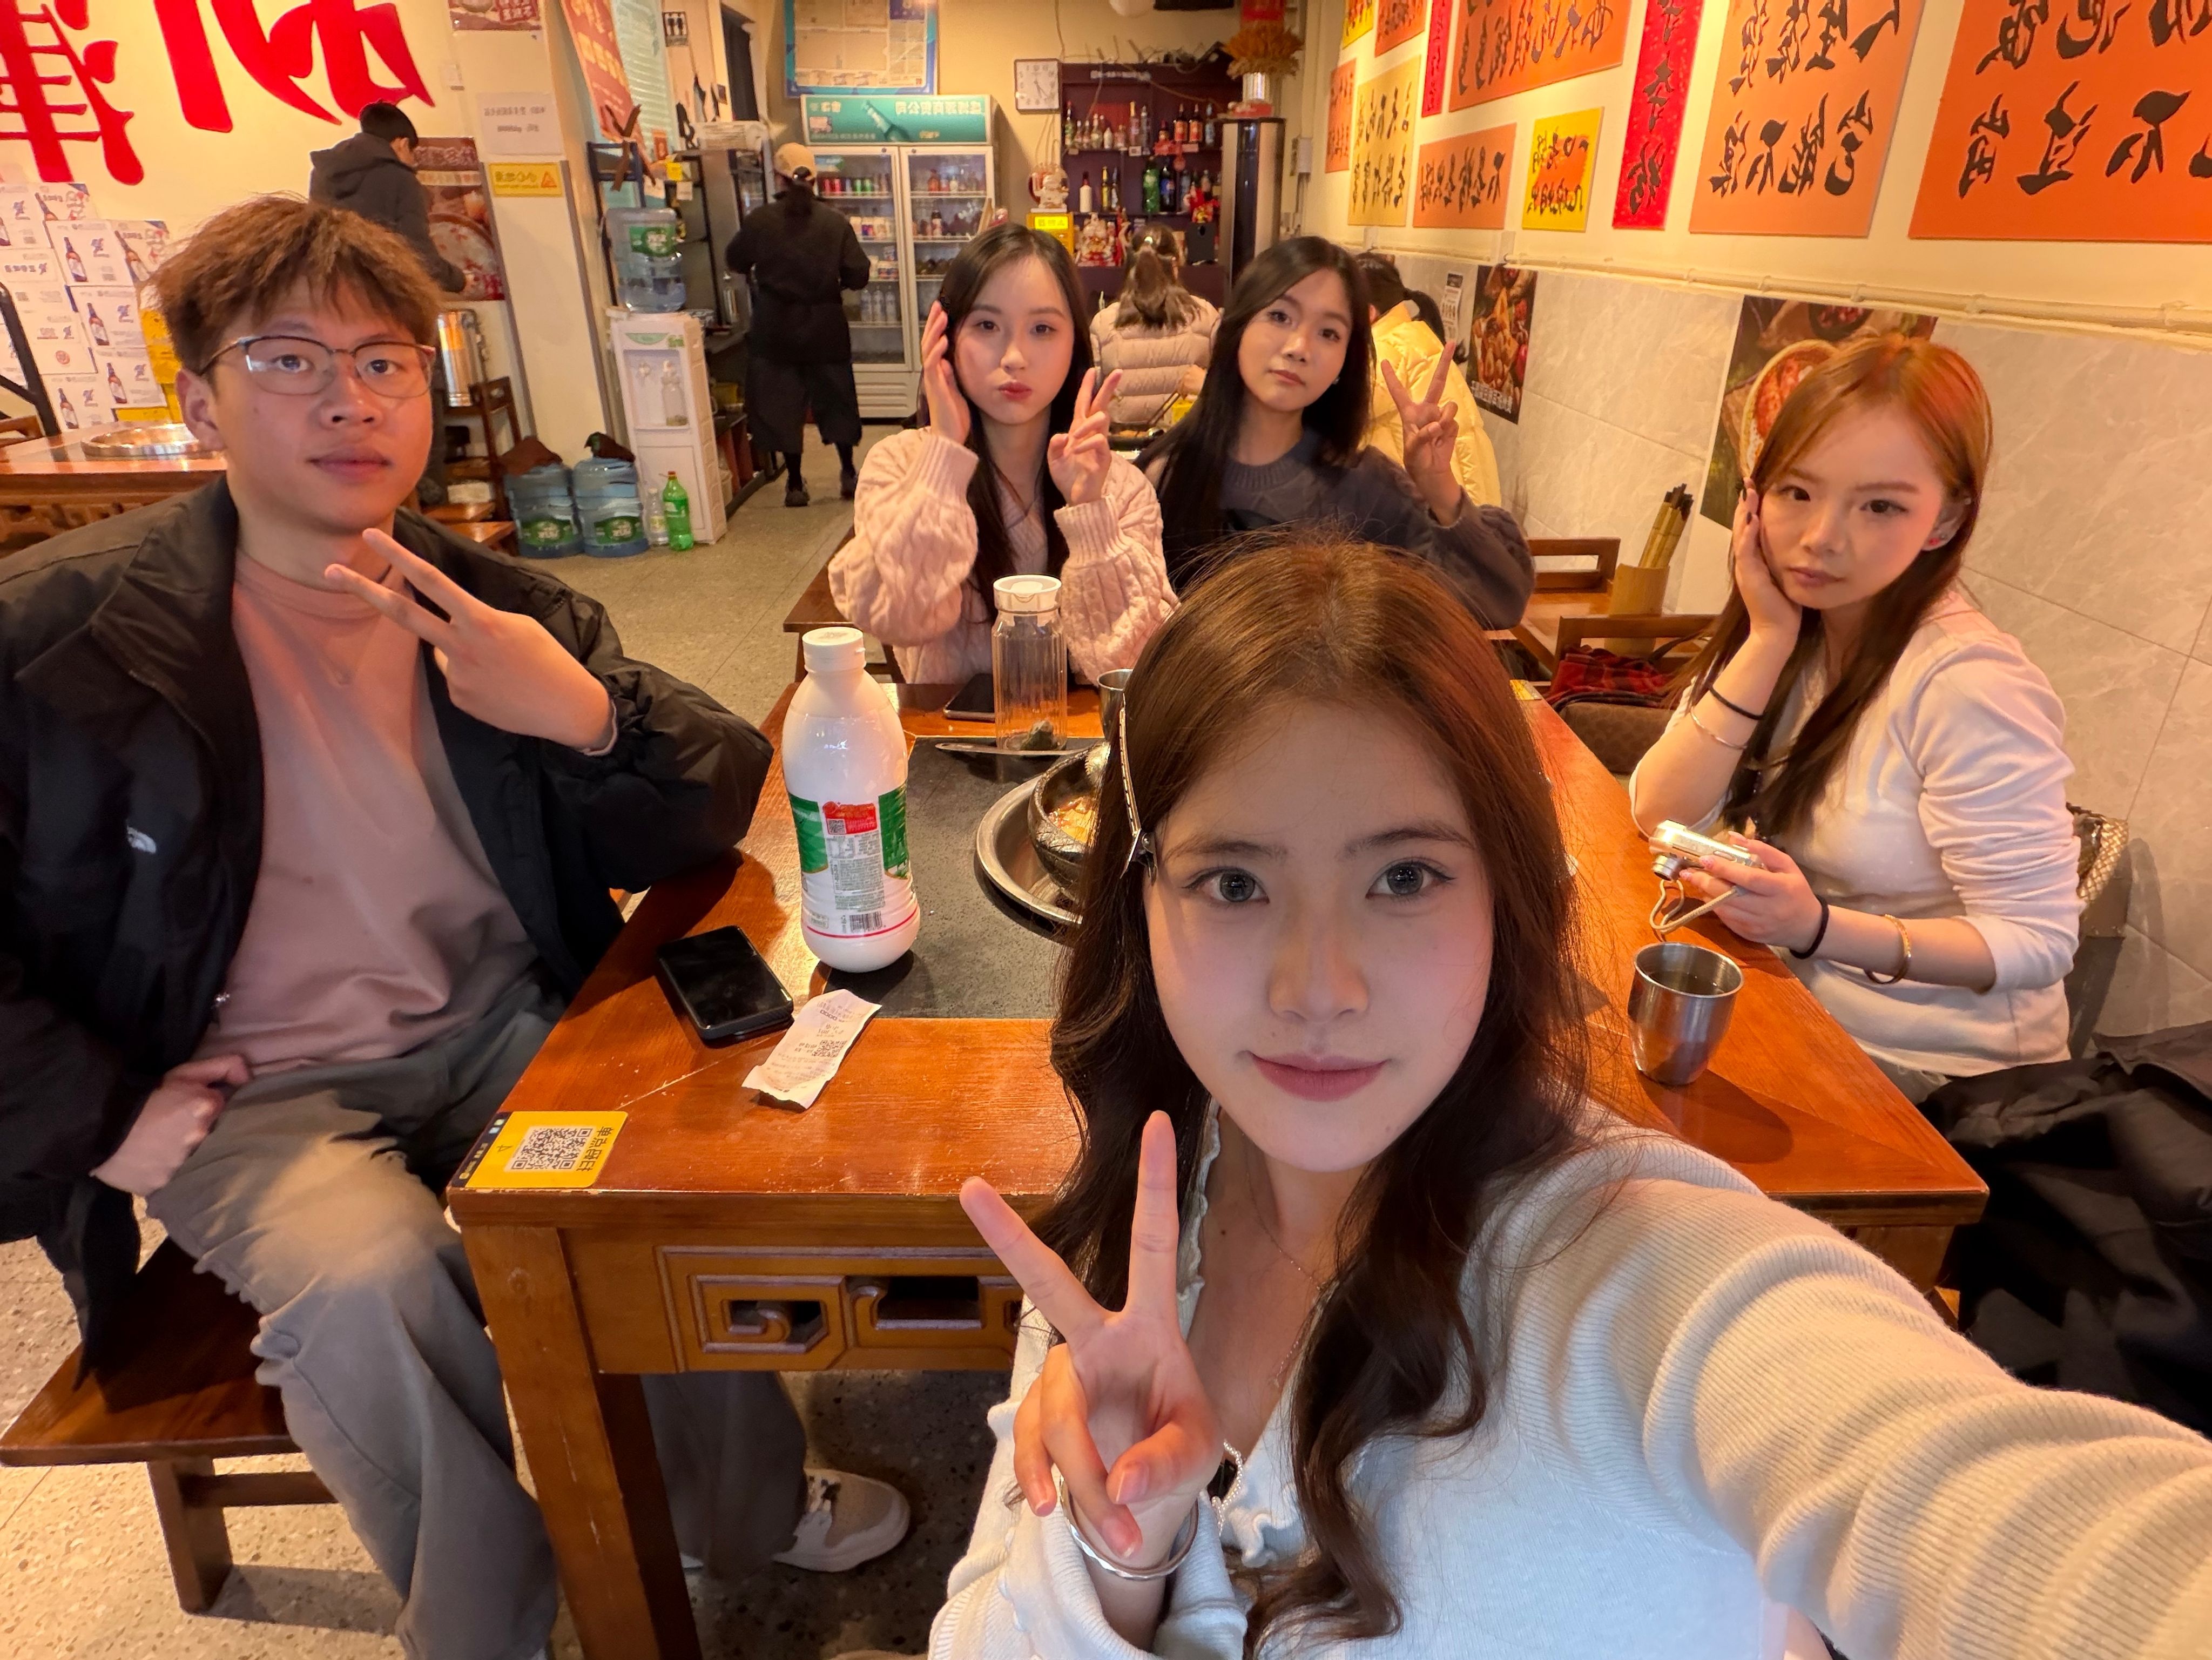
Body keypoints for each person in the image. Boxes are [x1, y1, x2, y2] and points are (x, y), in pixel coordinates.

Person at [935, 538, 2212, 1658]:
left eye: (1402, 879)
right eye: (1233, 884)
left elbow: (1989, 1508)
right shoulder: (1138, 1226)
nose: (1316, 987)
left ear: (1511, 899)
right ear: (1137, 905)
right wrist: (1124, 1552)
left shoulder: (1632, 1273)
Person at [0, 197, 906, 1660]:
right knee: (373, 1286)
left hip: (503, 1027)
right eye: (289, 361)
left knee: (652, 1199)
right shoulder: (60, 636)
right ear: (200, 402)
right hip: (247, 1088)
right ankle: (488, 1624)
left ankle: (740, 1511)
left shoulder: (482, 599)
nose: (349, 400)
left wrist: (588, 713)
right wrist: (99, 1115)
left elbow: (712, 800)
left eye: (385, 362)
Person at [1628, 336, 2080, 1102]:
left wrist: (1814, 926)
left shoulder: (1969, 682)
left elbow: (2040, 941)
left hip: (1937, 1080)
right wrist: (1767, 641)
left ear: (1945, 520)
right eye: (1797, 492)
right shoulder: (1790, 625)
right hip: (1802, 1010)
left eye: (1880, 506)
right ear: (1753, 498)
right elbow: (1658, 812)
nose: (1821, 538)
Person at [830, 222, 1174, 685]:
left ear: (1075, 343)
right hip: (945, 730)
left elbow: (1136, 664)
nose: (1014, 357)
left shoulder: (1120, 487)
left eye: (1042, 328)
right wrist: (943, 458)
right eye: (987, 325)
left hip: (1080, 732)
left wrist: (1090, 514)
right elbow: (898, 620)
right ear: (946, 338)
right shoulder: (902, 463)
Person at [1142, 236, 1529, 623]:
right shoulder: (1166, 475)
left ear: (1345, 362)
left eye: (1329, 333)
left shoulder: (1364, 486)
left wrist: (1440, 489)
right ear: (1238, 326)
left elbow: (1496, 606)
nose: (1299, 347)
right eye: (1280, 317)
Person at [308, 100, 466, 509]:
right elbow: (419, 256)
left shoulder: (323, 175)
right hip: (393, 315)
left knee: (359, 413)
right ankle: (424, 512)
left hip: (336, 318)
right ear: (400, 143)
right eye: (413, 151)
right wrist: (458, 279)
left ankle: (370, 508)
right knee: (417, 400)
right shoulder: (399, 179)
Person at [727, 141, 871, 507]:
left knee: (782, 405)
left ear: (778, 178)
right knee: (836, 399)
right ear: (816, 179)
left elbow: (735, 260)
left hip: (776, 327)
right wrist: (835, 282)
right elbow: (859, 273)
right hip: (825, 326)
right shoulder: (834, 222)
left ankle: (794, 483)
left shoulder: (760, 221)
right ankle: (848, 472)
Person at [1354, 251, 1501, 509]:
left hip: (1440, 504)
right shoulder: (1412, 335)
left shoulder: (1385, 350)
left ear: (1369, 313)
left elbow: (1344, 413)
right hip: (1464, 499)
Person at [1088, 229, 1217, 429]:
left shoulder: (1103, 322)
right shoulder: (1205, 315)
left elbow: (1092, 391)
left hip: (1122, 442)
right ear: (1174, 265)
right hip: (1188, 441)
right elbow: (1229, 385)